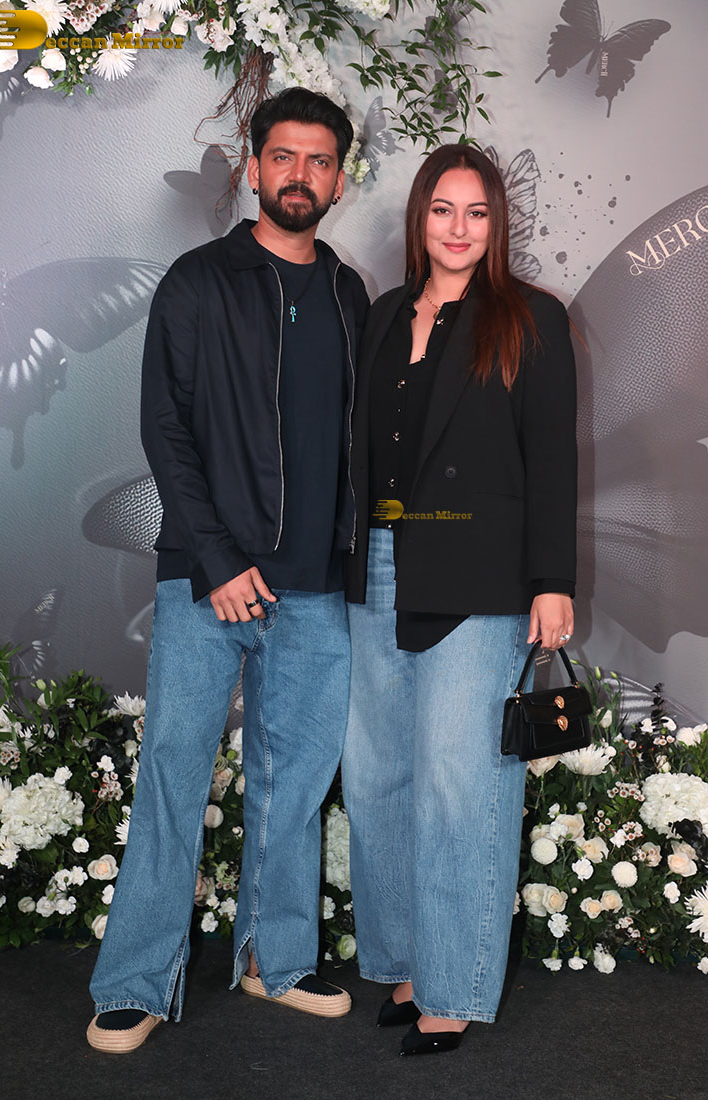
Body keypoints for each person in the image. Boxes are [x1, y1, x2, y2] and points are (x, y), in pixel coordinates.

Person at [86, 87, 369, 1053]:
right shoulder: (197, 281)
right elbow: (164, 427)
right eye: (283, 156)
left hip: (315, 587)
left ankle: (273, 962)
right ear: (253, 169)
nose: (300, 174)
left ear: (339, 179)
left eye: (319, 160)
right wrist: (215, 559)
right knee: (174, 775)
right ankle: (133, 982)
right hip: (208, 580)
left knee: (292, 787)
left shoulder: (348, 292)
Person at [342, 145, 577, 1056]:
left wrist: (551, 579)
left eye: (476, 213)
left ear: (496, 224)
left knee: (457, 781)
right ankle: (406, 961)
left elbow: (550, 457)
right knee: (377, 777)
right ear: (419, 217)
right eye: (443, 209)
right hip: (379, 563)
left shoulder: (529, 318)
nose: (458, 228)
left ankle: (453, 984)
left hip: (478, 576)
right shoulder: (382, 314)